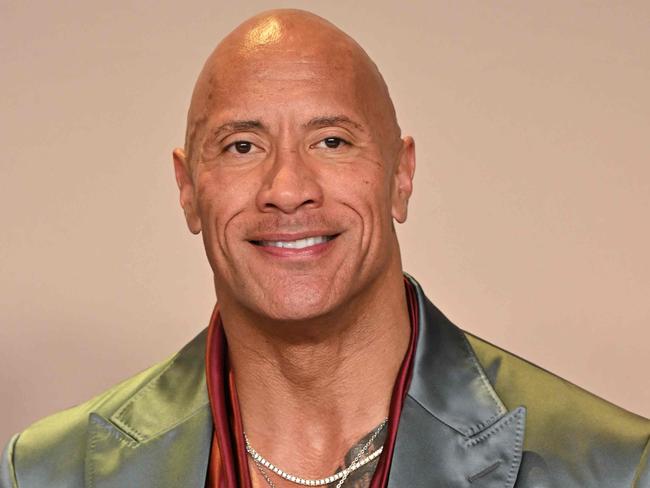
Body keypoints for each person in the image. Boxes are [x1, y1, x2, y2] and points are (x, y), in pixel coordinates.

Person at [1, 9, 648, 488]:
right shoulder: (46, 472)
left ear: (401, 174)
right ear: (188, 190)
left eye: (332, 141)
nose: (287, 189)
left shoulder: (612, 468)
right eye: (242, 146)